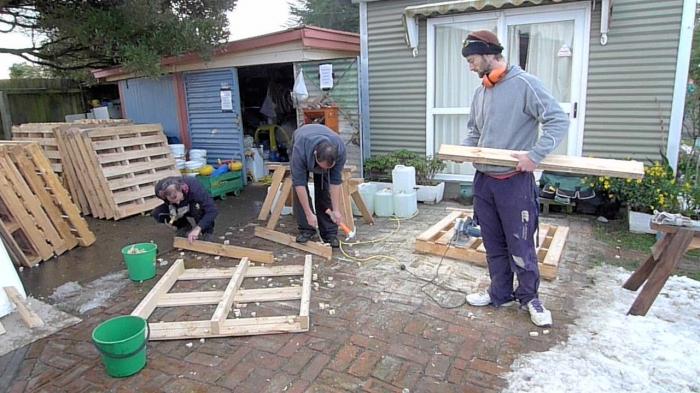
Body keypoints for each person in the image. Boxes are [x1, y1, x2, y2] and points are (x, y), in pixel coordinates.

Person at [460, 30, 569, 327]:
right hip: (485, 181)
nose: (470, 66)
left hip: (514, 183)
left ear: (488, 54)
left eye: (472, 59)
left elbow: (558, 120)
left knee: (520, 244)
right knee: (493, 243)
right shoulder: (482, 90)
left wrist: (534, 156)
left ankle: (530, 298)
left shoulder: (524, 84)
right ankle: (500, 293)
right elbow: (473, 128)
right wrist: (468, 149)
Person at [291, 123, 347, 248]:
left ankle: (329, 233)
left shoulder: (340, 150)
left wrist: (336, 210)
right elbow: (299, 183)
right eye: (321, 167)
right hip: (301, 139)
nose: (323, 170)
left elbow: (335, 181)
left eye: (327, 168)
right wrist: (309, 213)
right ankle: (307, 228)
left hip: (322, 147)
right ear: (315, 154)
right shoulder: (300, 149)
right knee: (299, 188)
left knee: (324, 187)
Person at [152, 176, 218, 243]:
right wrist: (171, 206)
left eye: (179, 199)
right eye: (174, 201)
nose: (178, 203)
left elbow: (213, 210)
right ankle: (184, 227)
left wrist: (198, 228)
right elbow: (167, 201)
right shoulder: (159, 191)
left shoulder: (195, 188)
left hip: (192, 202)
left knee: (197, 208)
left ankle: (206, 232)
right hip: (175, 204)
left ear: (181, 190)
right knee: (157, 213)